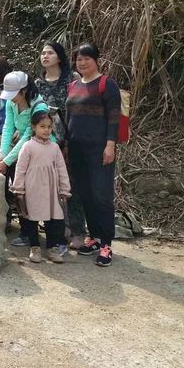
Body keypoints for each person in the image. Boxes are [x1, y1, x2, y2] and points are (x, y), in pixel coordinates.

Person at [65, 43, 121, 267]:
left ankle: (106, 243)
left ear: (97, 60)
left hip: (98, 149)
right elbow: (69, 118)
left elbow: (114, 117)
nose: (83, 62)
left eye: (87, 58)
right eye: (79, 59)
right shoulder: (73, 86)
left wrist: (110, 145)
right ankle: (94, 238)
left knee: (102, 195)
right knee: (84, 194)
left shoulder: (107, 84)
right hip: (76, 149)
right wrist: (67, 144)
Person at [35, 40, 84, 250]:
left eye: (50, 53)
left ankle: (78, 231)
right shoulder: (38, 83)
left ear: (59, 56)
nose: (45, 56)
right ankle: (58, 228)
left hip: (72, 138)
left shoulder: (72, 79)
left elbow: (80, 108)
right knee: (51, 184)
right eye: (43, 53)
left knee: (71, 184)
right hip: (47, 140)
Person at [0, 71, 50, 247]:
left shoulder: (38, 106)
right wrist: (2, 155)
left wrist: (7, 161)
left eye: (15, 94)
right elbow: (8, 127)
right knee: (14, 188)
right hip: (19, 151)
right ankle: (16, 225)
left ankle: (30, 233)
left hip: (37, 151)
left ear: (24, 90)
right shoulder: (11, 103)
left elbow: (27, 135)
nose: (12, 99)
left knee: (28, 192)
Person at [12, 111, 72, 264]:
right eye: (42, 126)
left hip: (51, 190)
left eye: (49, 127)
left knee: (52, 220)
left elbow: (61, 168)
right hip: (33, 188)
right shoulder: (28, 146)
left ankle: (52, 248)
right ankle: (35, 248)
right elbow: (20, 169)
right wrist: (18, 189)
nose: (46, 130)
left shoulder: (54, 148)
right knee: (32, 218)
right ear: (33, 127)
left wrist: (64, 188)